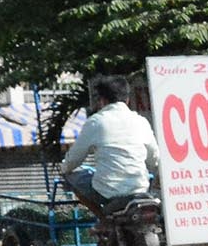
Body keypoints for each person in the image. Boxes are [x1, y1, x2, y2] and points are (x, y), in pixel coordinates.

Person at [59, 74, 159, 218]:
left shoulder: (96, 122)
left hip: (107, 192)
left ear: (102, 101)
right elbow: (154, 160)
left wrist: (64, 169)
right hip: (140, 189)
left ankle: (102, 219)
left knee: (72, 178)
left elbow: (74, 159)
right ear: (127, 99)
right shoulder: (141, 121)